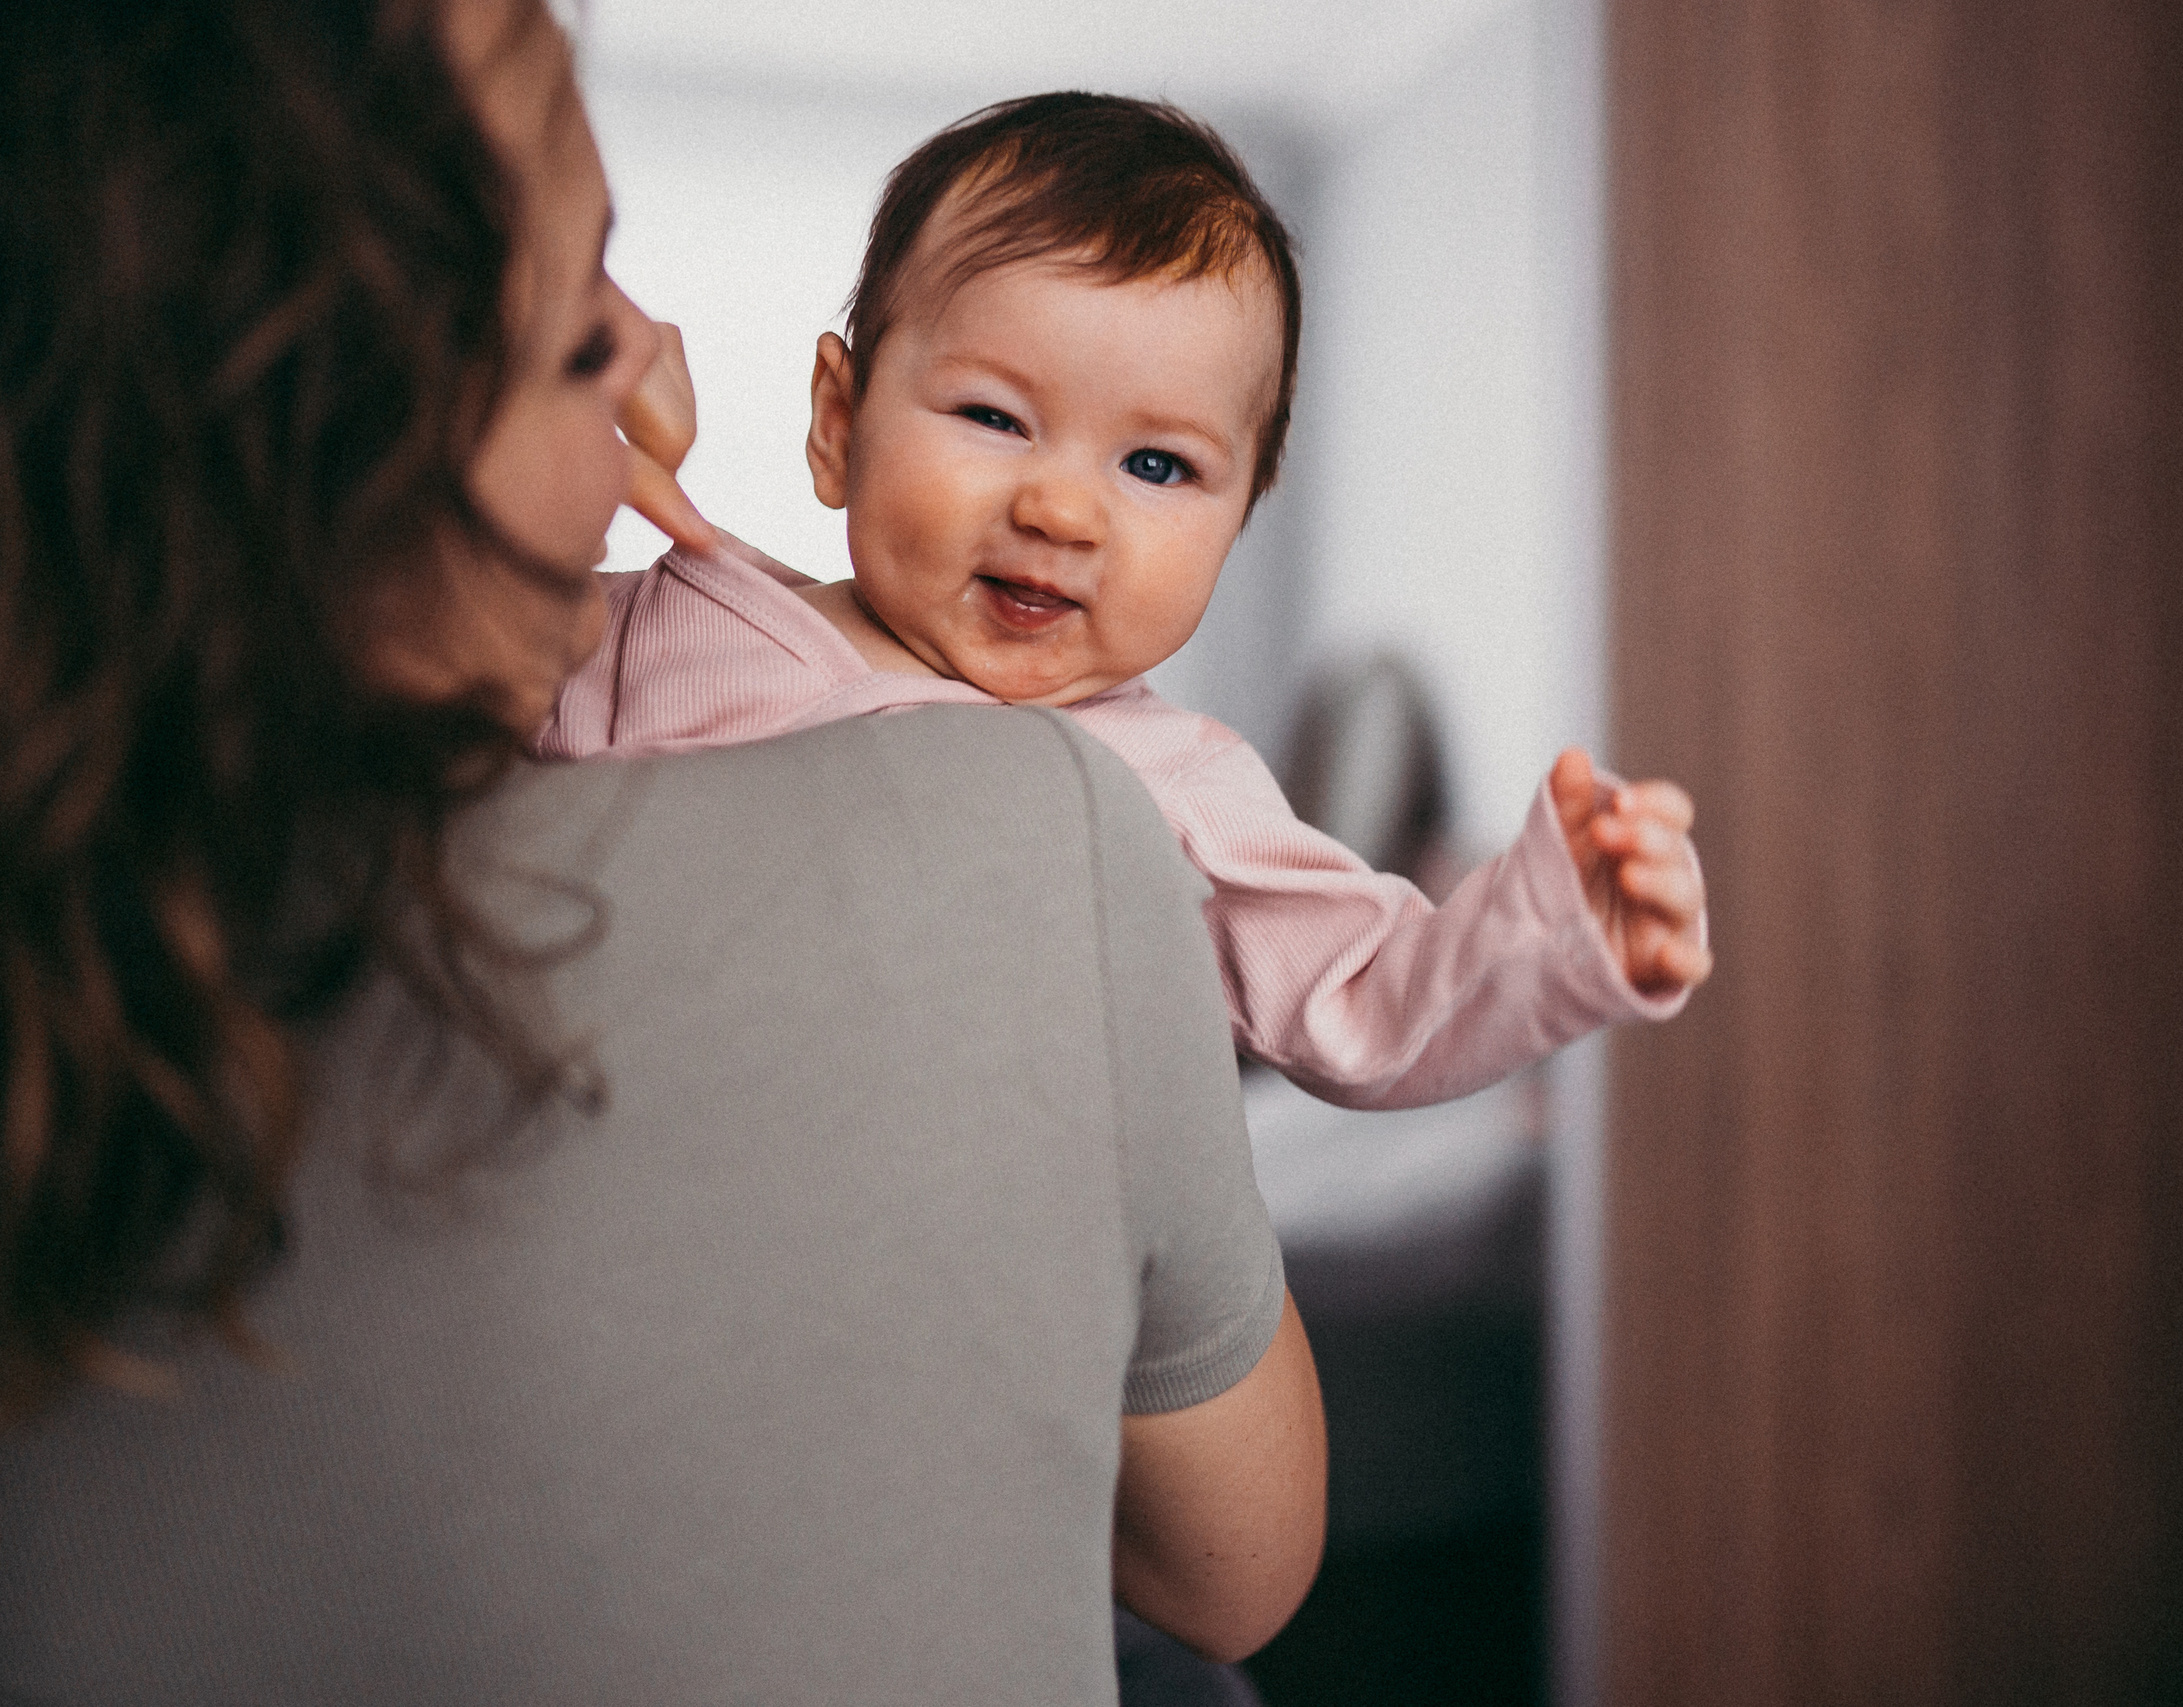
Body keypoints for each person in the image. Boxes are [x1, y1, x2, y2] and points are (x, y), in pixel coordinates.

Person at [0, 2, 1321, 1700]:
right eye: (579, 337)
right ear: (353, 462)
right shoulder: (1042, 822)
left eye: (1156, 463)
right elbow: (1239, 1566)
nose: (658, 359)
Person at [535, 93, 1714, 1113]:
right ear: (838, 425)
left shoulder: (1170, 786)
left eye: (1156, 466)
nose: (1062, 511)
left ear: (1239, 517)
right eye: (994, 417)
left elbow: (1363, 995)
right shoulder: (653, 627)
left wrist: (1550, 929)